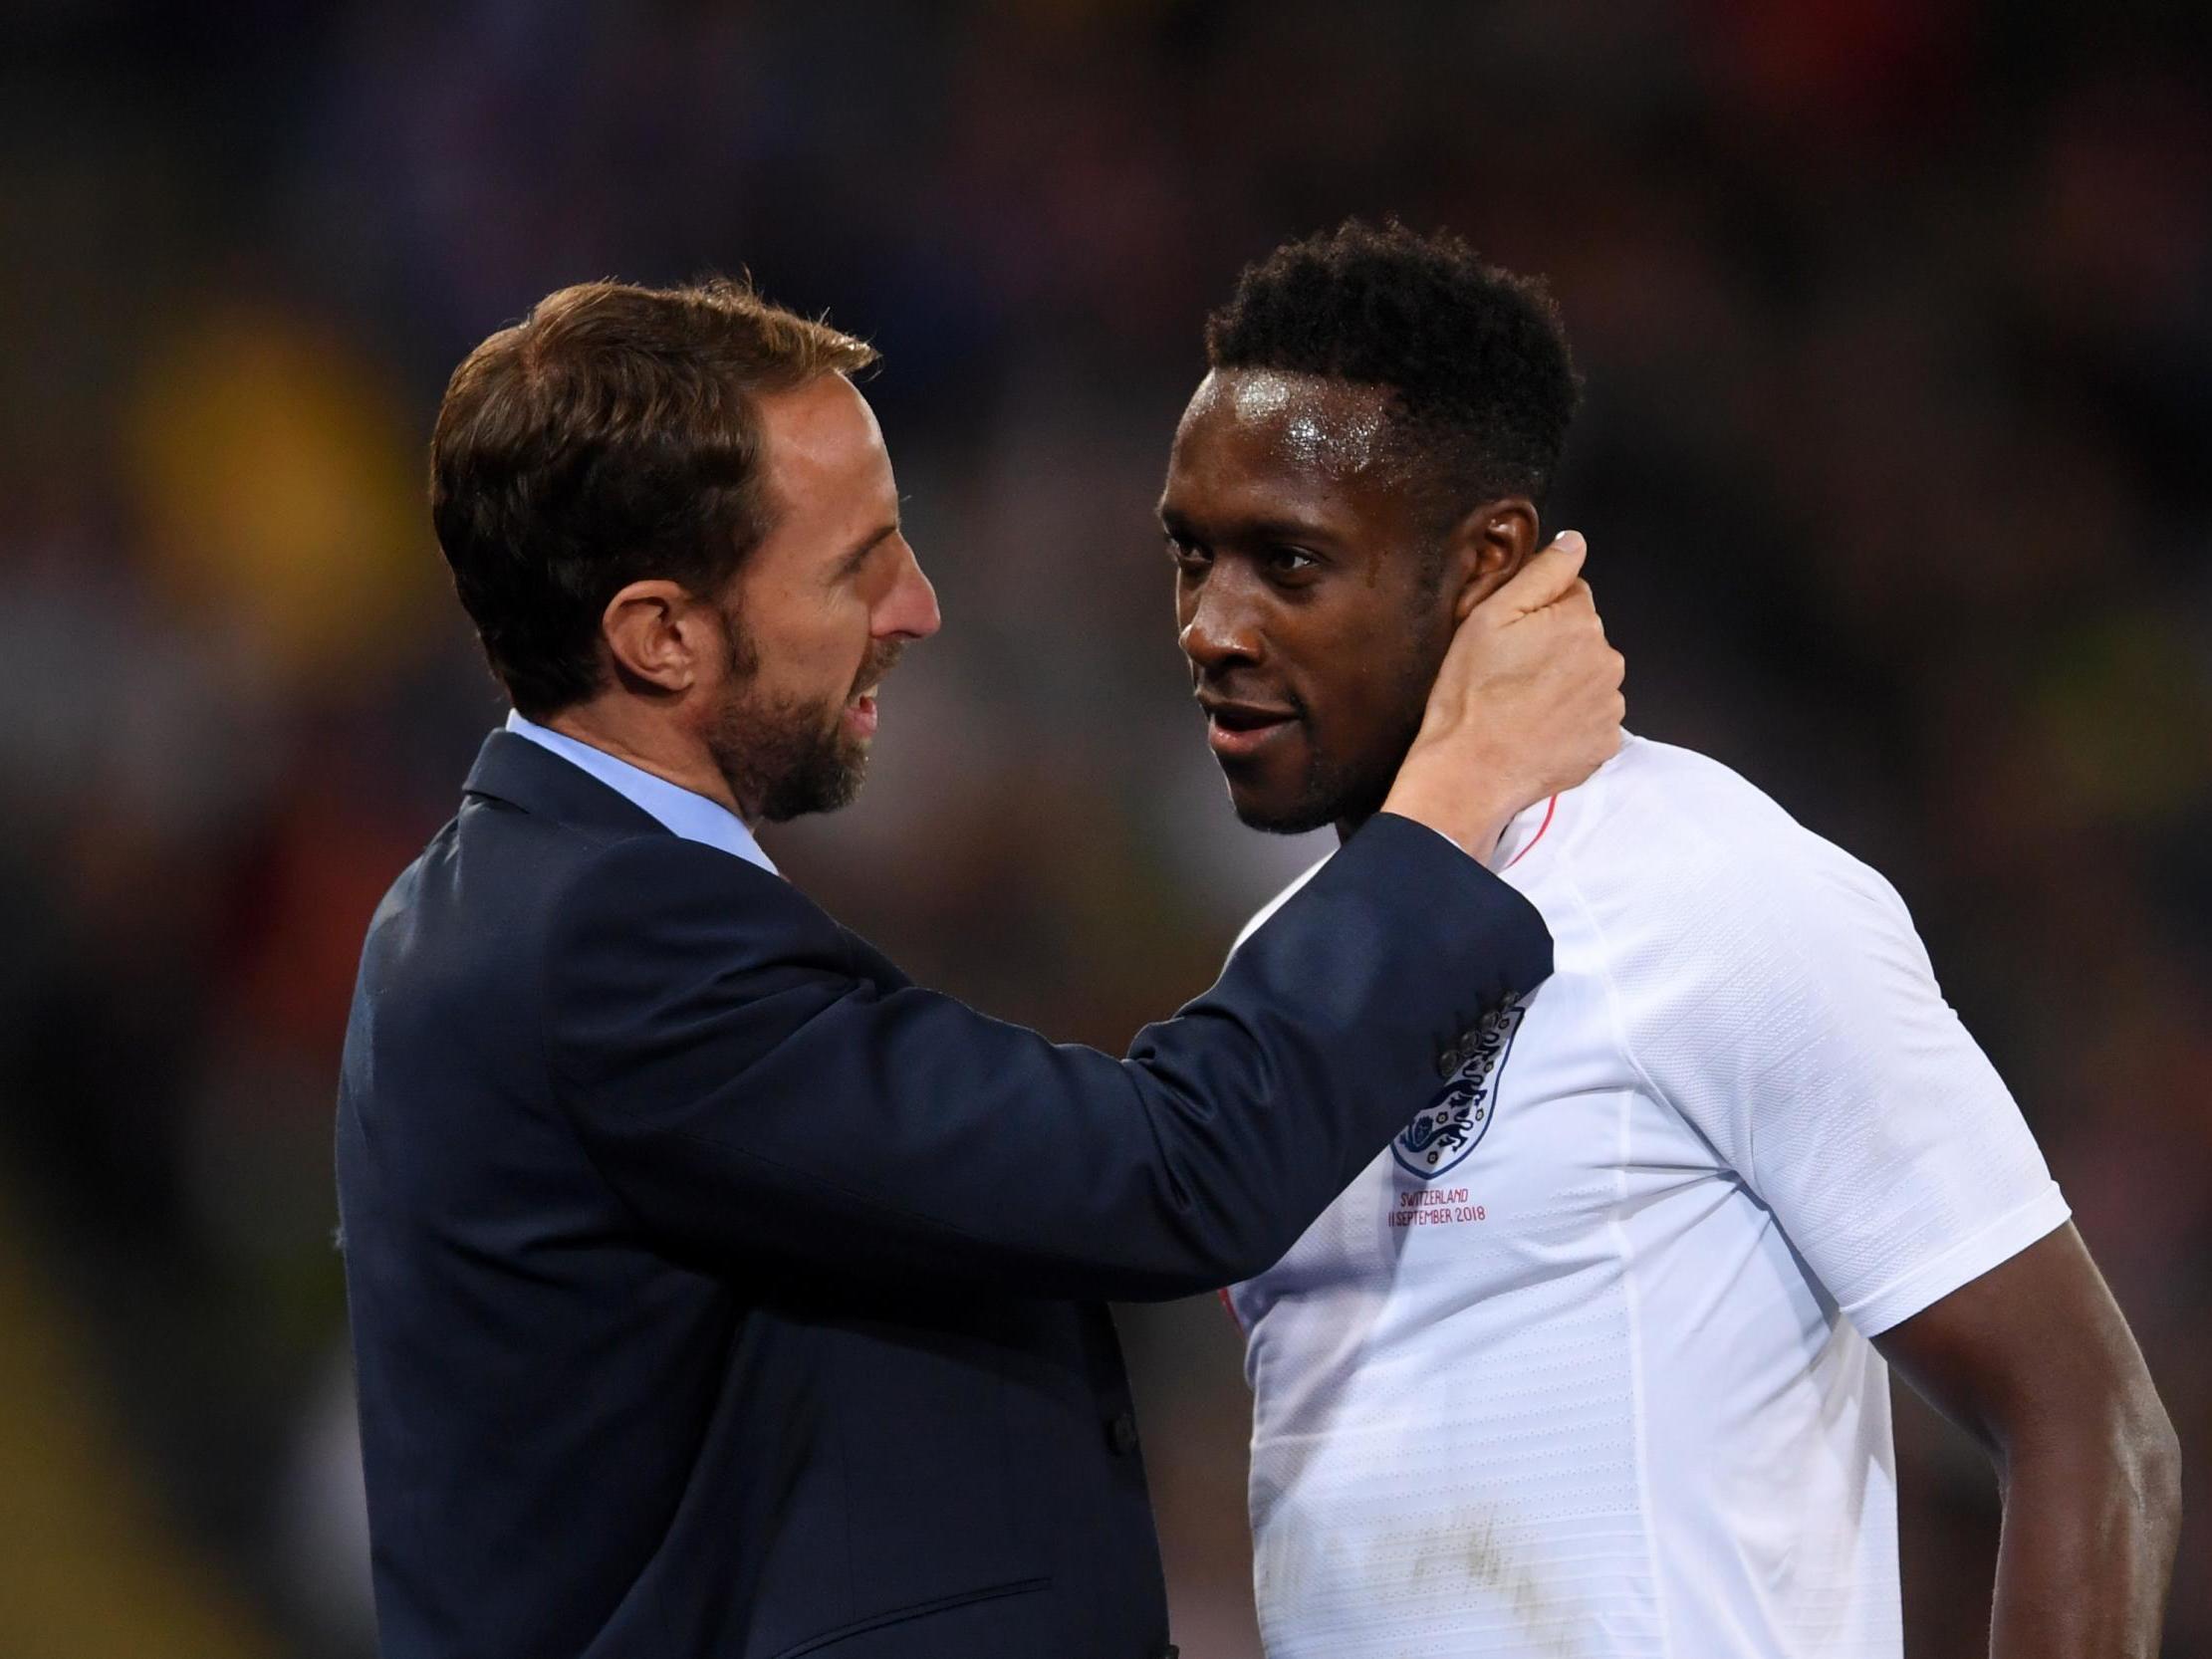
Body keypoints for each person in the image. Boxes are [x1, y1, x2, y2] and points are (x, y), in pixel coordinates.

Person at [336, 276, 1624, 1659]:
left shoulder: (533, 905)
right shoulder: (596, 944)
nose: (920, 605)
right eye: (855, 565)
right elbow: (1168, 1172)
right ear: (662, 634)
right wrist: (1455, 793)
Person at [1160, 222, 2181, 1659]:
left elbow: (2090, 1422)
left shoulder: (1720, 894)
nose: (1210, 624)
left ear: (1484, 562)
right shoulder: (1282, 965)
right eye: (1191, 555)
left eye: (1288, 561)